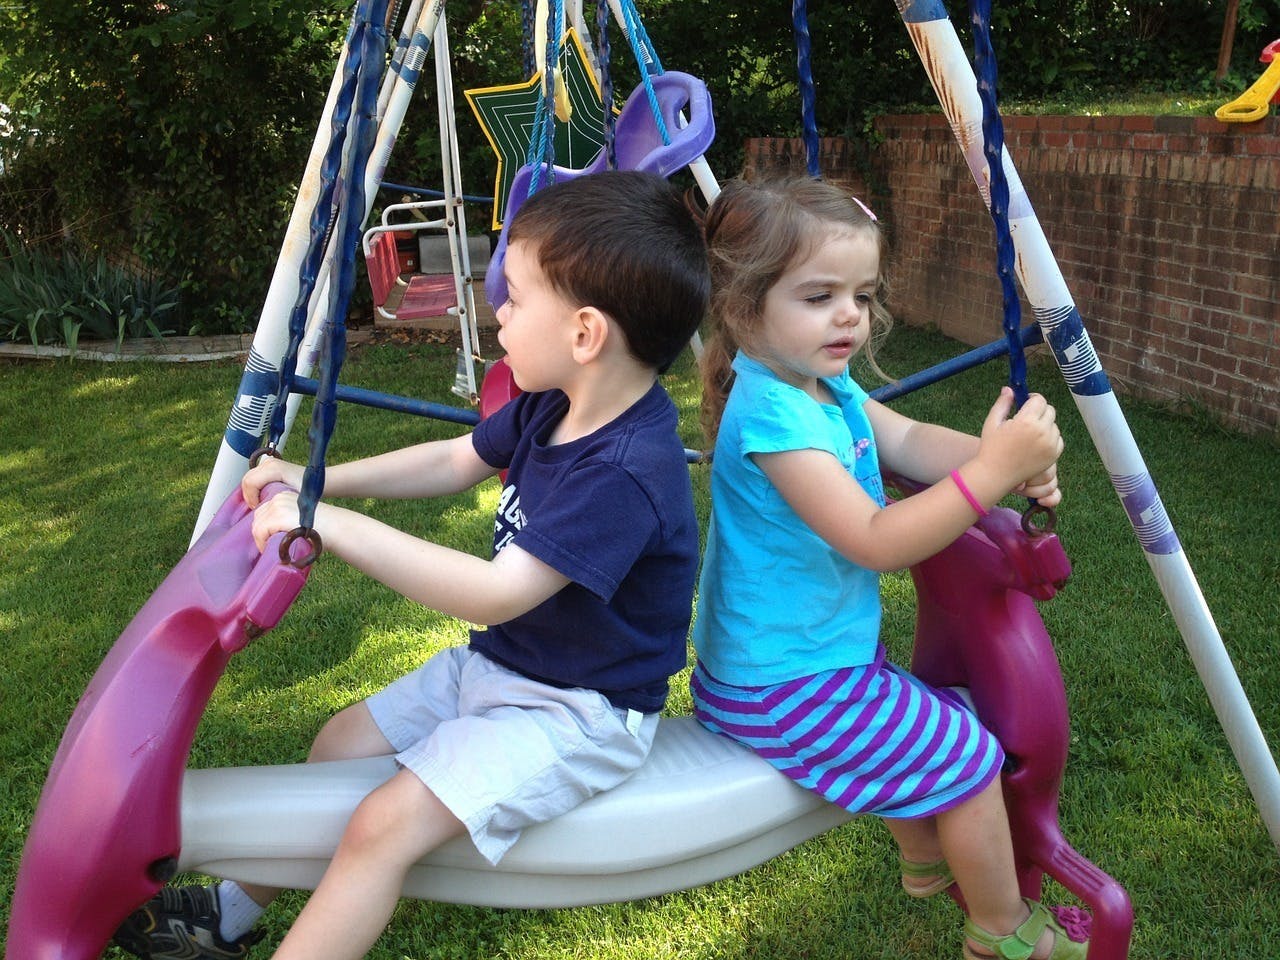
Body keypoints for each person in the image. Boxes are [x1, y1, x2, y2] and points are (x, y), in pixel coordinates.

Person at [113, 169, 710, 960]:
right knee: (336, 746)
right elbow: (454, 460)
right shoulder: (553, 402)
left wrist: (331, 523)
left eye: (517, 297)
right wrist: (316, 481)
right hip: (501, 667)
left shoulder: (625, 471)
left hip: (576, 713)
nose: (498, 310)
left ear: (585, 333)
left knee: (379, 827)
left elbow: (500, 594)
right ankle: (227, 920)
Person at [690, 177, 1084, 960]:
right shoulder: (772, 416)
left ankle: (922, 856)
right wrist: (992, 476)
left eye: (862, 294)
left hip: (808, 658)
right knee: (969, 757)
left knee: (934, 718)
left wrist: (990, 457)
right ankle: (1001, 934)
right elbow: (875, 539)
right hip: (777, 687)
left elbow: (904, 442)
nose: (849, 315)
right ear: (742, 309)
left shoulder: (821, 387)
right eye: (819, 295)